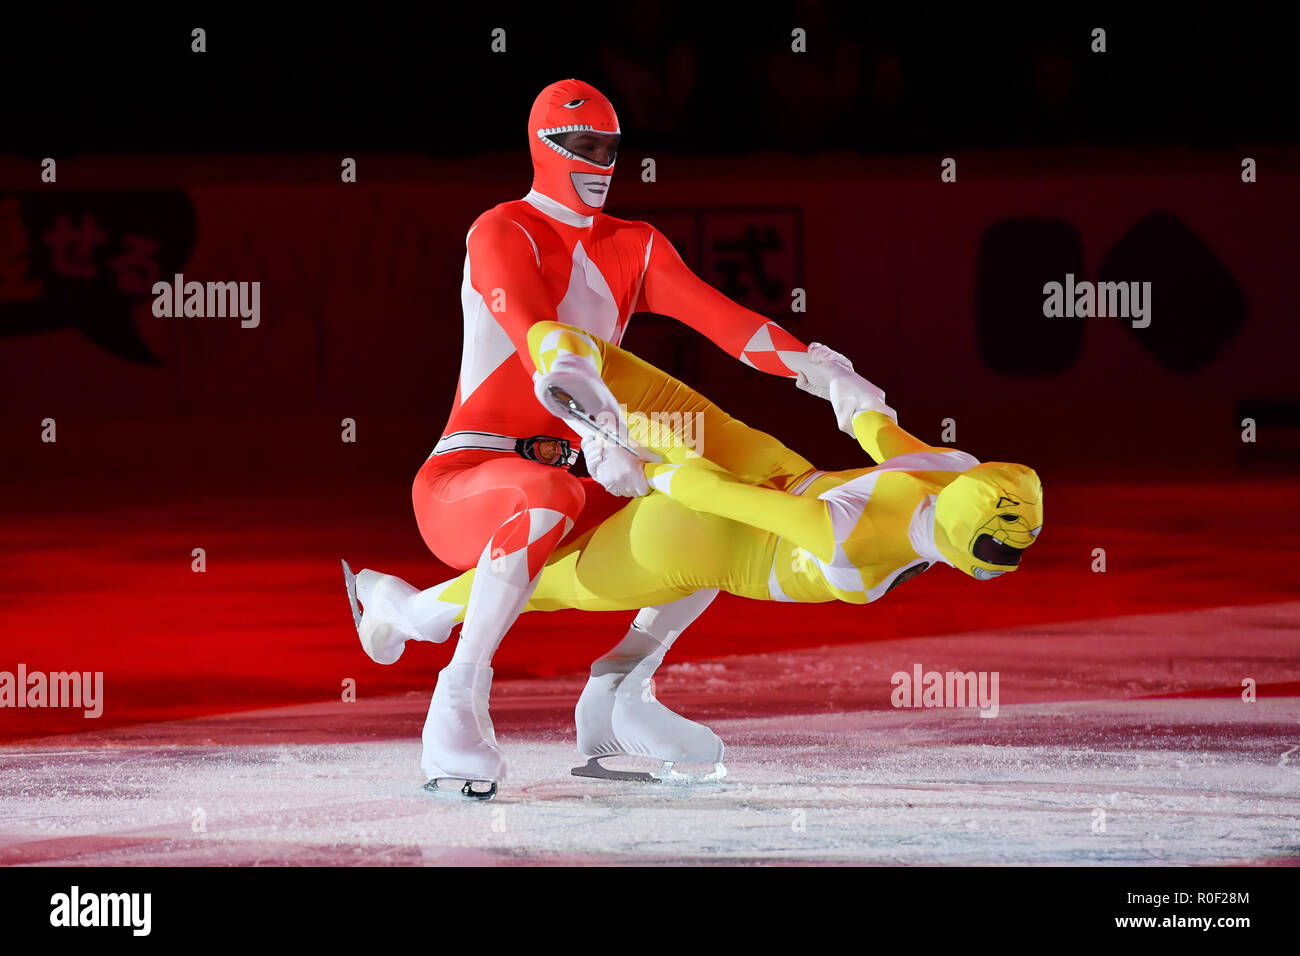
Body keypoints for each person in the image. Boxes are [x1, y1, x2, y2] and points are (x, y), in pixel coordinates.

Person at [353, 77, 889, 798]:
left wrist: (826, 373)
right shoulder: (501, 229)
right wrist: (595, 429)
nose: (599, 161)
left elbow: (729, 323)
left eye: (609, 147)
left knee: (716, 504)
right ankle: (454, 698)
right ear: (542, 146)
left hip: (581, 482)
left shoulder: (635, 246)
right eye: (581, 145)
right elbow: (543, 341)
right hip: (466, 480)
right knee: (543, 494)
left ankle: (618, 690)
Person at [347, 322, 1043, 794]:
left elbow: (720, 497)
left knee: (547, 583)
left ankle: (416, 614)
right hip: (737, 496)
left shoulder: (854, 540)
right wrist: (843, 385)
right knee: (573, 360)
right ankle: (589, 685)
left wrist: (637, 455)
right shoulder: (951, 471)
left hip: (701, 525)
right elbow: (881, 434)